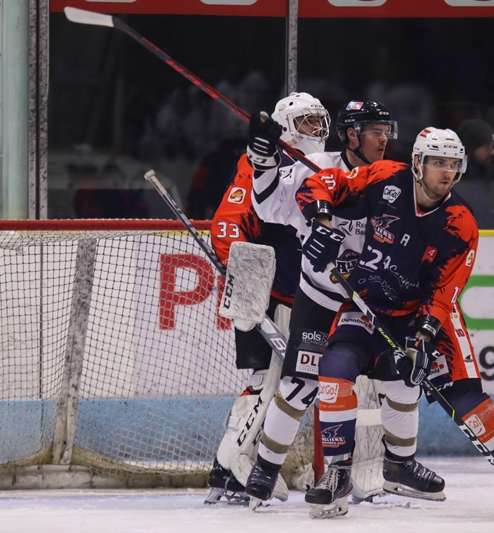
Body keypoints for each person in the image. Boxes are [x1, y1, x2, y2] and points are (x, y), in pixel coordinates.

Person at [294, 127, 494, 518]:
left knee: (466, 399)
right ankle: (337, 474)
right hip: (370, 304)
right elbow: (322, 183)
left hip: (425, 315)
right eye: (438, 163)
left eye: (453, 164)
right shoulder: (385, 178)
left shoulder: (460, 223)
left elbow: (445, 292)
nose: (447, 172)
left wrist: (422, 337)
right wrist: (320, 221)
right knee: (334, 369)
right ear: (418, 162)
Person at [244, 100, 447, 510]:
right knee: (301, 383)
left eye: (386, 129)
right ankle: (266, 466)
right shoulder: (313, 164)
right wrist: (262, 160)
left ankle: (400, 464)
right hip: (322, 296)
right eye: (374, 130)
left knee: (400, 379)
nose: (384, 137)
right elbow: (267, 205)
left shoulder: (395, 178)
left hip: (376, 300)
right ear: (351, 135)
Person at [205, 92, 330, 505]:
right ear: (289, 127)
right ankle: (232, 465)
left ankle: (226, 471)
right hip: (268, 295)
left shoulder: (322, 165)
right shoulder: (262, 163)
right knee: (271, 383)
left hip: (302, 295)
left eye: (319, 120)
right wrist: (247, 288)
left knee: (274, 384)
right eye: (308, 123)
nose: (318, 129)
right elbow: (227, 224)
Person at [454, 118, 494, 229]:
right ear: (470, 149)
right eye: (486, 146)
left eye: (493, 146)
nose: (493, 152)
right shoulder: (449, 190)